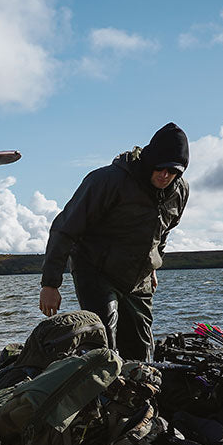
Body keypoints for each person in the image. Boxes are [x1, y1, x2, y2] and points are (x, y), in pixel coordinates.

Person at [38, 122, 190, 361]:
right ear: (149, 161)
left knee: (141, 350)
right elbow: (63, 230)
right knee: (104, 339)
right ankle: (98, 391)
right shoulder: (108, 180)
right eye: (160, 168)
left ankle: (136, 395)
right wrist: (50, 284)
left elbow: (164, 230)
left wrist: (154, 264)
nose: (165, 175)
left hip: (138, 278)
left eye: (173, 171)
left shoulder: (179, 191)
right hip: (96, 270)